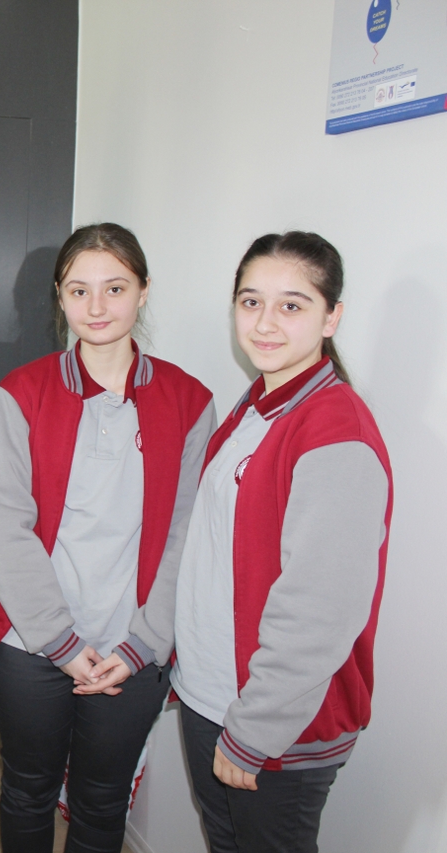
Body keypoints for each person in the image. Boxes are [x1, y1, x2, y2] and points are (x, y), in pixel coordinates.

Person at [0, 223, 215, 853]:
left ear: (143, 291)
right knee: (28, 790)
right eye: (79, 290)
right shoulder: (21, 394)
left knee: (102, 802)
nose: (97, 306)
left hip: (133, 647)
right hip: (32, 643)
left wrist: (144, 644)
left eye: (115, 287)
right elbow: (8, 527)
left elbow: (187, 537)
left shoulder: (190, 402)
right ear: (59, 298)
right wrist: (59, 641)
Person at [171, 232, 393, 853]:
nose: (265, 323)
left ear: (332, 317)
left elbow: (321, 607)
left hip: (275, 724)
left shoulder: (335, 431)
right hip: (210, 694)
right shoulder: (255, 407)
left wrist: (255, 731)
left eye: (291, 305)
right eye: (251, 302)